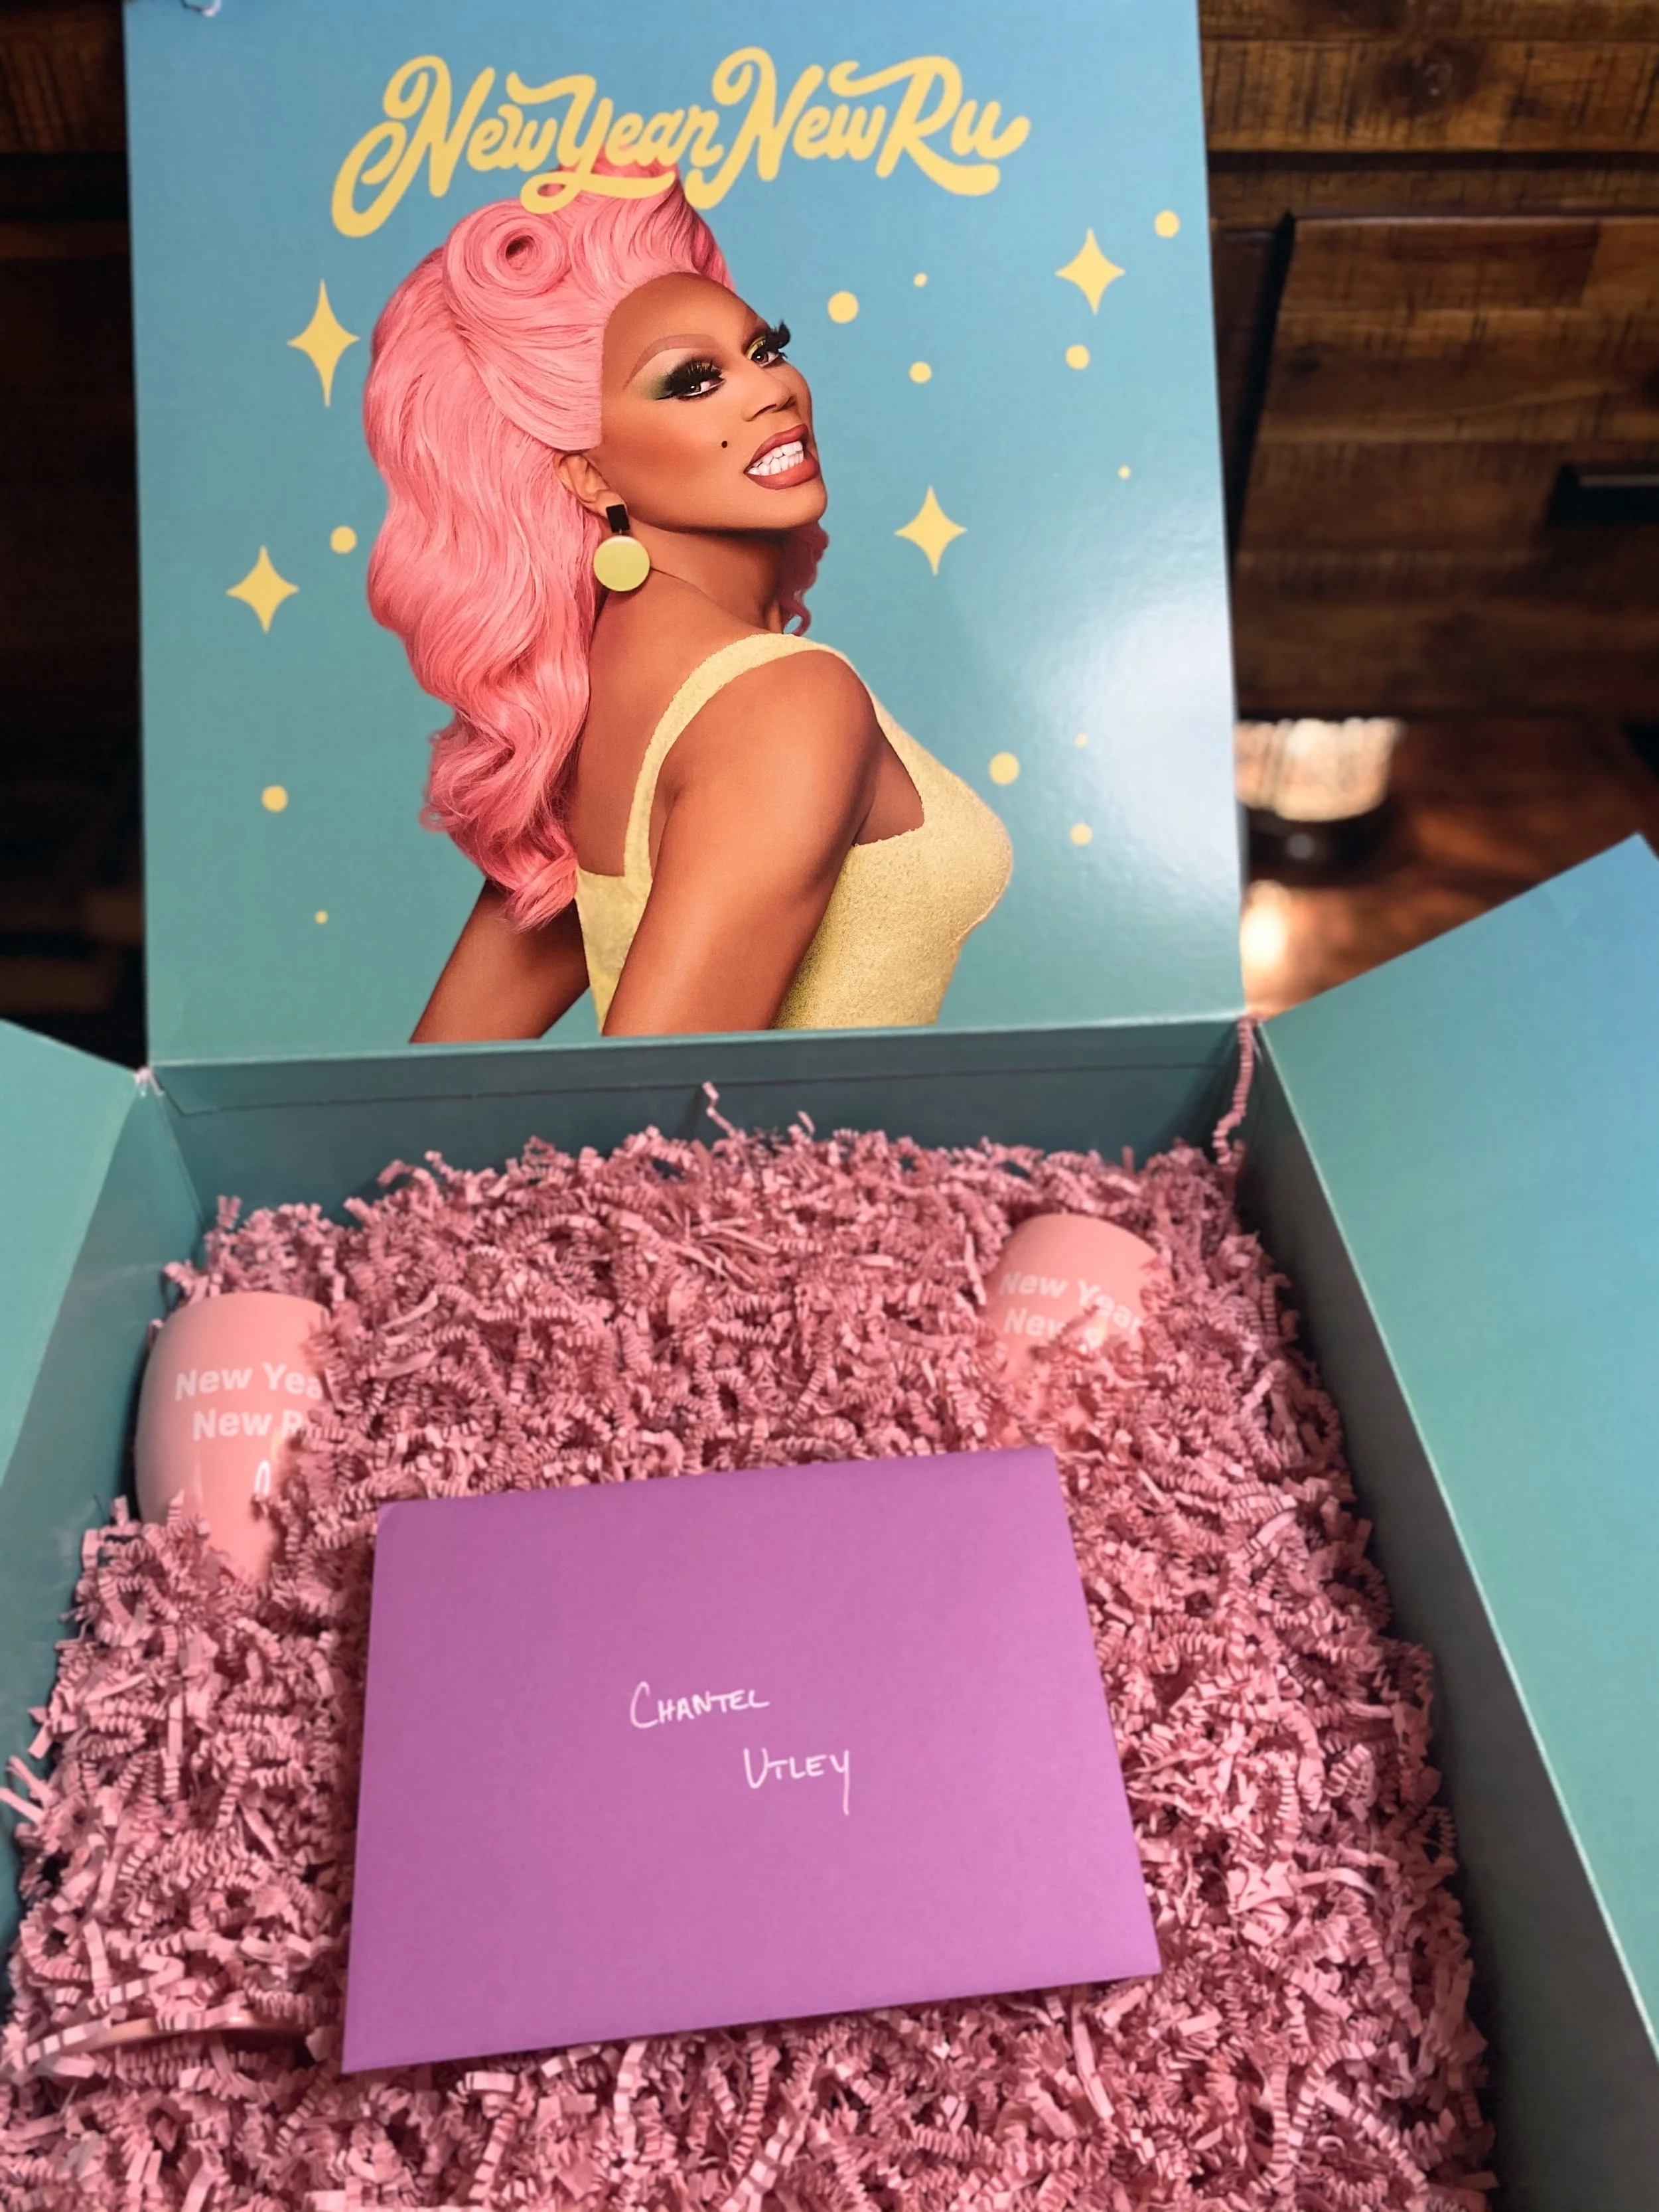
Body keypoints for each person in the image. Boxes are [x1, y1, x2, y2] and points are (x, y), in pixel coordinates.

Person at [363, 175, 1011, 1041]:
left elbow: (436, 1088)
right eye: (695, 381)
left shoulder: (588, 704)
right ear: (587, 474)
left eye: (766, 350)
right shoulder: (781, 699)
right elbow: (654, 1113)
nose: (772, 390)